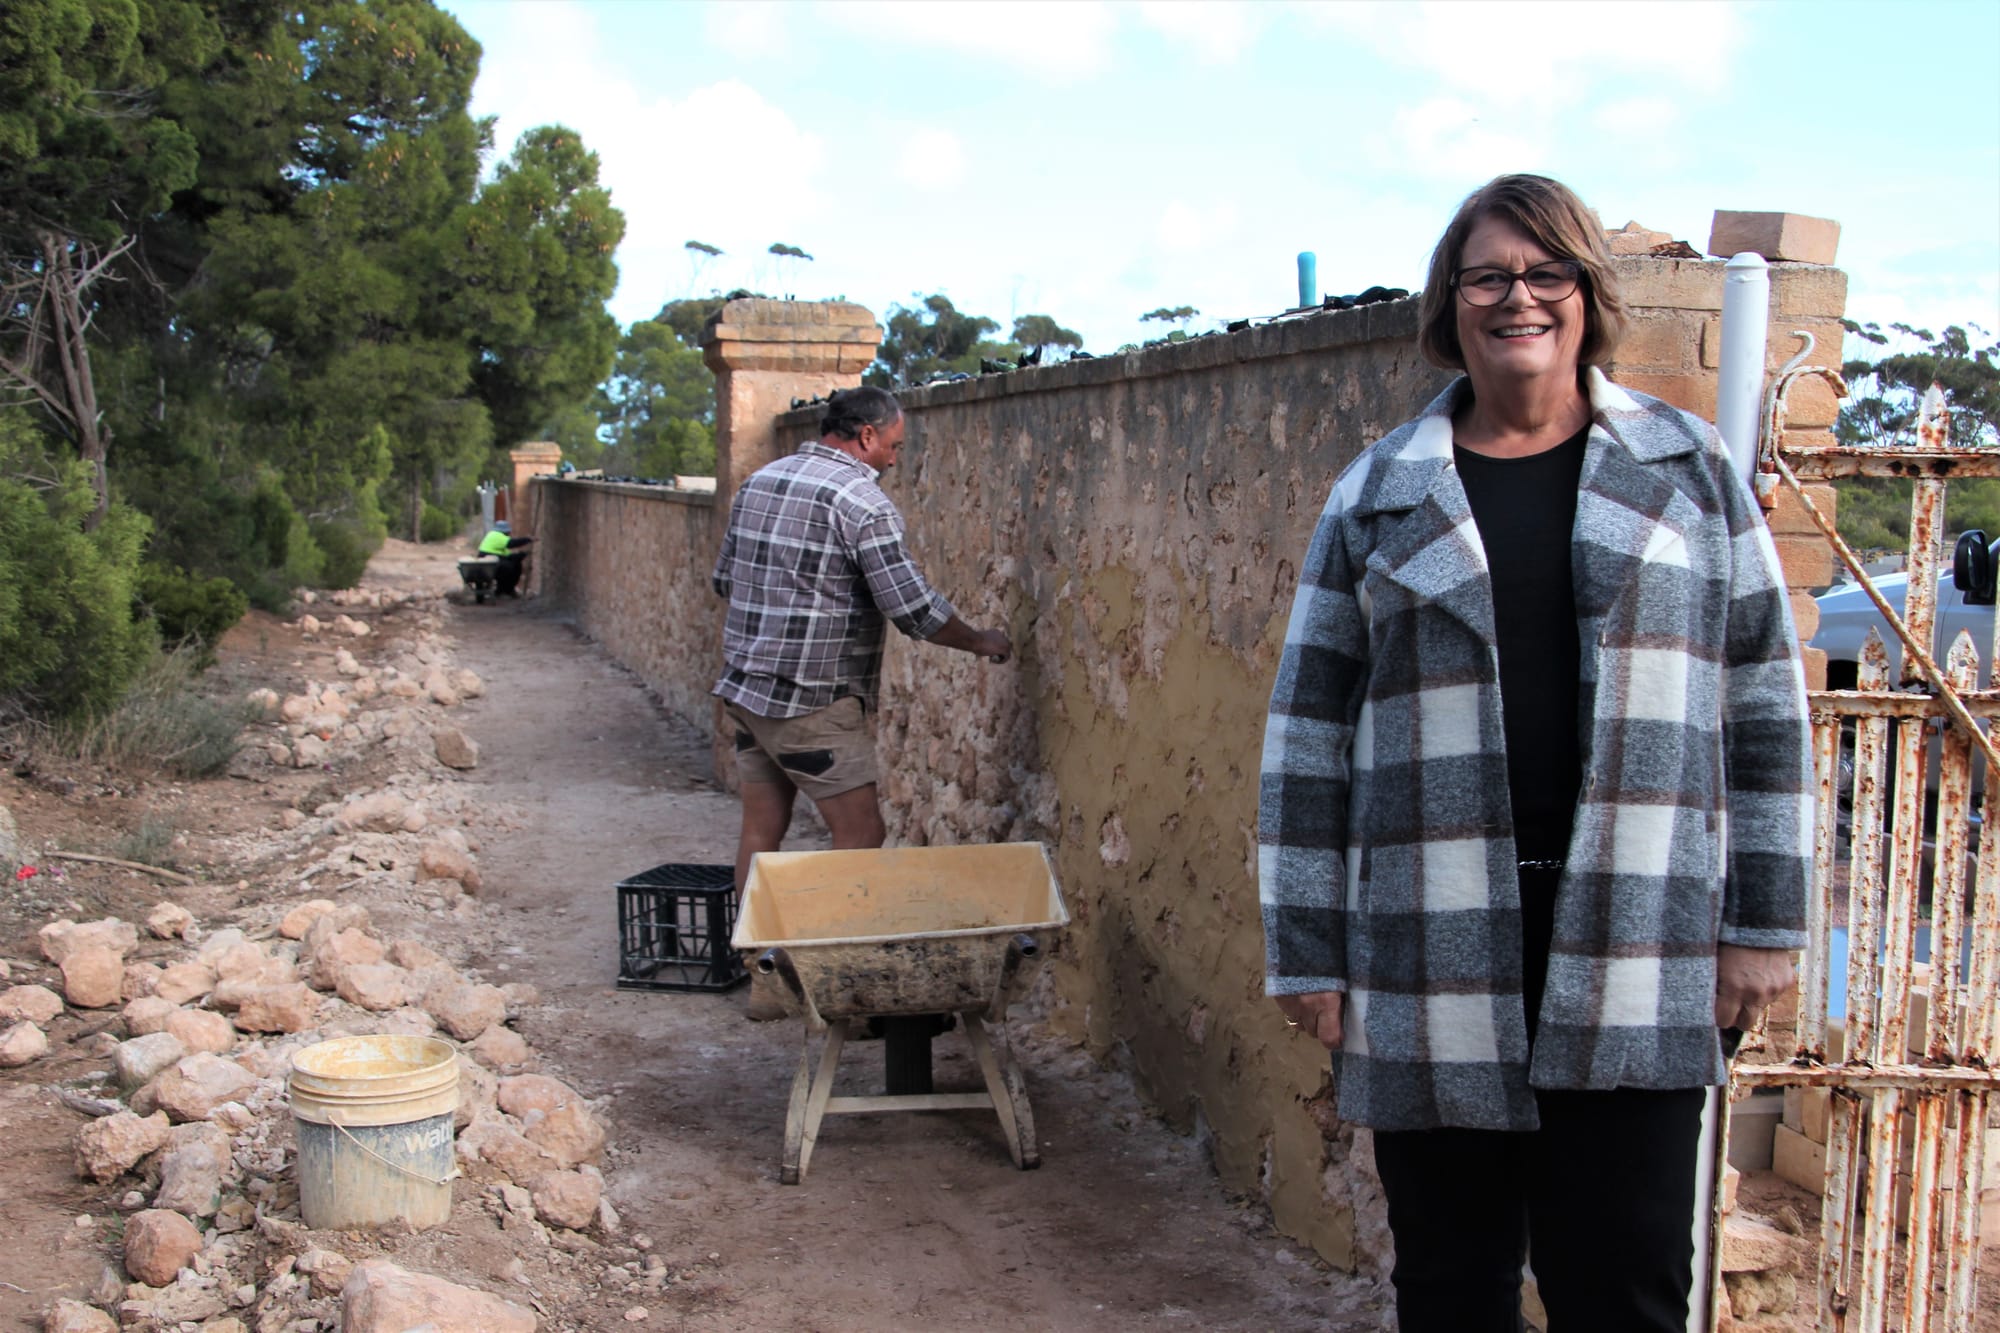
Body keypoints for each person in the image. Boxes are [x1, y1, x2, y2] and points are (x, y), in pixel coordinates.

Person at [1258, 174, 1811, 1330]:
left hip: (1639, 941)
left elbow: (1761, 707)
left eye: (1545, 271)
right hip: (1431, 941)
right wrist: (1306, 949)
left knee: (1624, 1285)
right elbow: (1305, 736)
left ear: (1584, 292)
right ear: (1449, 301)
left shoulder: (1687, 471)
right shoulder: (1379, 493)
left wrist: (1761, 924)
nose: (1519, 297)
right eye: (1488, 275)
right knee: (1451, 1287)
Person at [711, 386, 1012, 896]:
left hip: (744, 692)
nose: (895, 460)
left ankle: (756, 957)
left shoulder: (759, 482)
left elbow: (724, 581)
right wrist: (982, 641)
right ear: (867, 435)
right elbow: (912, 610)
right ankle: (820, 956)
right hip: (808, 703)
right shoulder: (864, 504)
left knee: (761, 831)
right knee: (861, 832)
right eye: (894, 446)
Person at [477, 521, 533, 598]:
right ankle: (507, 589)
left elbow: (508, 556)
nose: (509, 533)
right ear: (505, 531)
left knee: (513, 562)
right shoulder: (497, 535)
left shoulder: (493, 536)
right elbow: (512, 543)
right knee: (511, 567)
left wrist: (522, 554)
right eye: (508, 532)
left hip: (489, 562)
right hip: (490, 562)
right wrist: (527, 539)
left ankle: (501, 590)